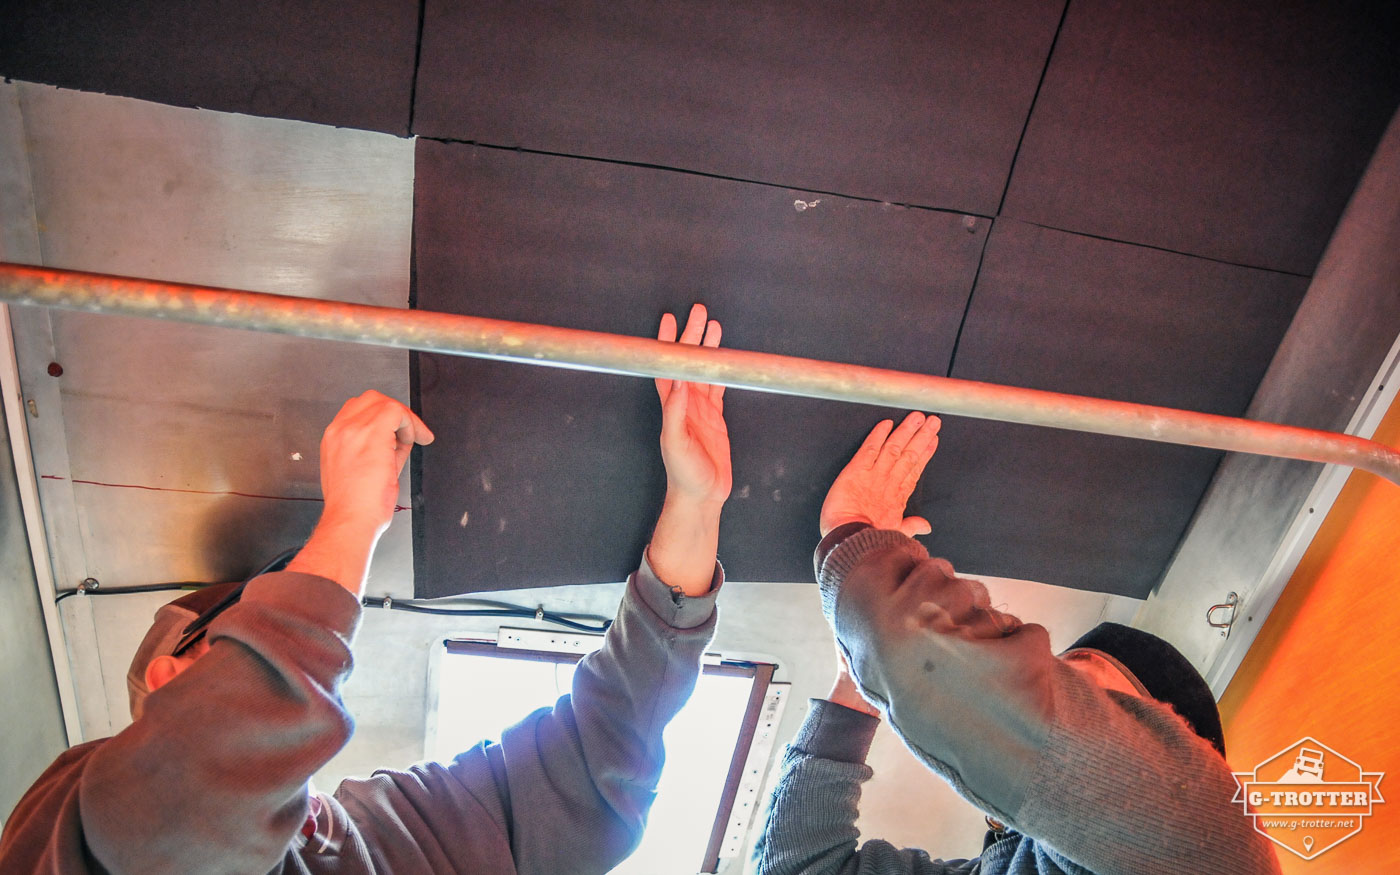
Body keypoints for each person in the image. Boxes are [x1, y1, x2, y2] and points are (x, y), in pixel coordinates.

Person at [0, 303, 733, 874]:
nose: (296, 645)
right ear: (163, 680)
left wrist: (695, 505)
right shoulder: (82, 837)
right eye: (246, 636)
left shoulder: (386, 832)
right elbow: (177, 802)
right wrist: (349, 525)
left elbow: (595, 759)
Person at [754, 412, 1281, 875]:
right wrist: (855, 679)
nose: (1040, 693)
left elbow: (925, 659)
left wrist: (854, 534)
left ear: (1171, 745)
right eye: (1060, 680)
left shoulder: (1205, 838)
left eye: (1088, 695)